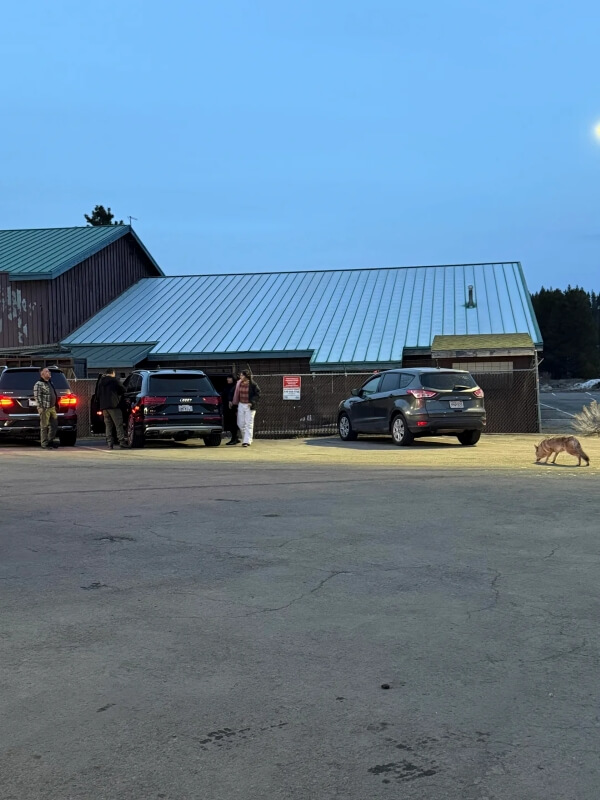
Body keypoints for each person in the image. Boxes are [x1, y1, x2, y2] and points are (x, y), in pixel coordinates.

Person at [95, 368, 129, 450]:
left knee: (108, 425)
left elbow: (97, 394)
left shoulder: (101, 382)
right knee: (118, 424)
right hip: (114, 406)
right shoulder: (114, 380)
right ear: (113, 373)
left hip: (104, 407)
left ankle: (110, 443)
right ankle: (122, 441)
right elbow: (123, 389)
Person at [233, 369, 261, 447]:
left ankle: (246, 441)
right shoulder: (239, 383)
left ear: (246, 376)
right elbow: (234, 392)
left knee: (249, 423)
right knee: (240, 423)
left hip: (249, 406)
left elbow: (258, 394)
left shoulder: (253, 384)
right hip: (241, 404)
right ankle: (247, 438)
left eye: (242, 375)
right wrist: (231, 400)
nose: (240, 376)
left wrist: (252, 402)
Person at [33, 367, 59, 449]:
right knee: (44, 426)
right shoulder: (38, 384)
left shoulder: (50, 382)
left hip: (52, 408)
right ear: (42, 374)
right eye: (47, 371)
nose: (49, 372)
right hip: (45, 408)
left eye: (49, 371)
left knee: (54, 425)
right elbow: (37, 397)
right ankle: (44, 444)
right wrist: (41, 407)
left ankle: (50, 441)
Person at [224, 374, 240, 445]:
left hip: (233, 408)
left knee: (233, 423)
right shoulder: (228, 386)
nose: (228, 379)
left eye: (229, 378)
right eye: (227, 378)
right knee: (230, 423)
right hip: (228, 408)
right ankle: (235, 437)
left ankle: (234, 438)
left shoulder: (235, 387)